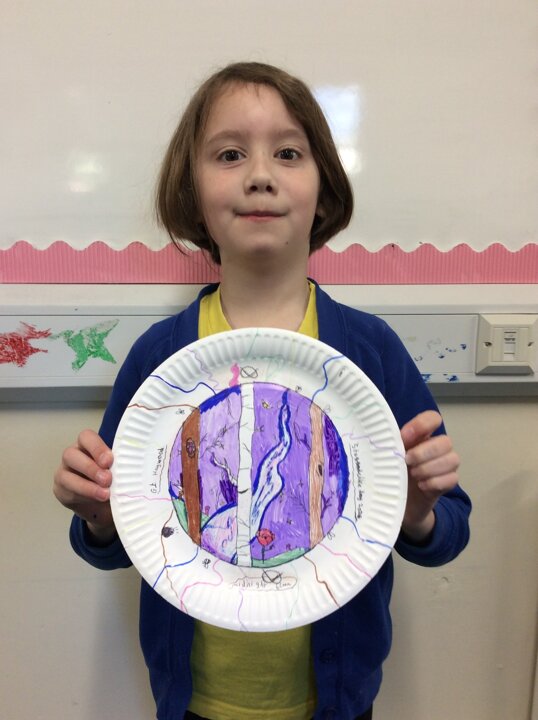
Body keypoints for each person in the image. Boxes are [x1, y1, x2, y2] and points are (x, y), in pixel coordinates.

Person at [53, 62, 471, 720]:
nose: (259, 174)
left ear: (323, 191)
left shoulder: (370, 352)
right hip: (196, 703)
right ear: (191, 194)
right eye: (229, 154)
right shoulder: (160, 357)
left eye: (288, 153)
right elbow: (114, 538)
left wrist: (416, 511)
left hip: (335, 702)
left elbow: (449, 530)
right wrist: (98, 514)